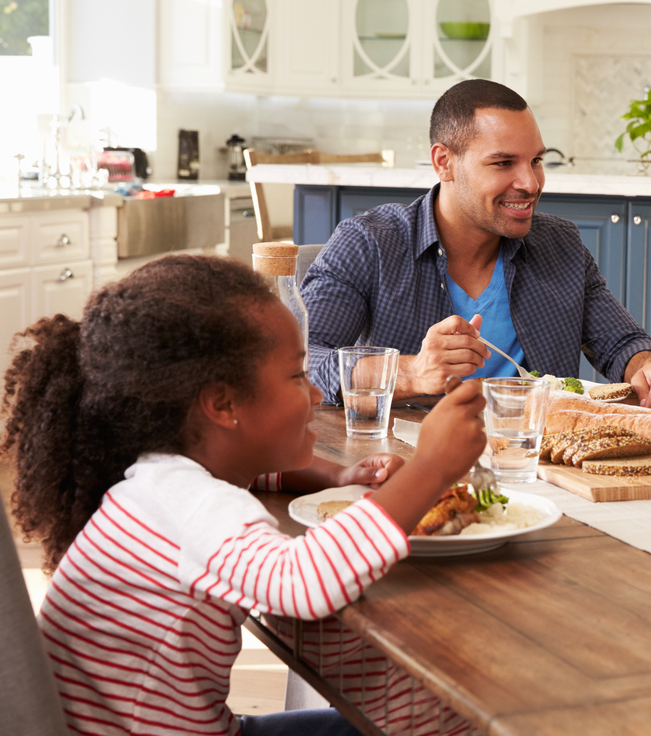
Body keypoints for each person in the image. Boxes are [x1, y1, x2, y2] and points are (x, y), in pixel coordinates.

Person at [1, 254, 489, 735]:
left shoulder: (162, 480)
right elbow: (304, 582)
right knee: (440, 718)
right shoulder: (194, 505)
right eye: (298, 375)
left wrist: (333, 478)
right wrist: (432, 466)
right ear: (222, 404)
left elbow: (244, 476)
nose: (317, 395)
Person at [302, 79, 651, 412]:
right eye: (503, 163)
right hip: (407, 468)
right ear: (444, 163)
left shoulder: (561, 245)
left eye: (536, 160)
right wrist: (412, 371)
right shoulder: (369, 243)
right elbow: (300, 363)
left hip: (537, 465)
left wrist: (650, 365)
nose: (531, 182)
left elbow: (622, 343)